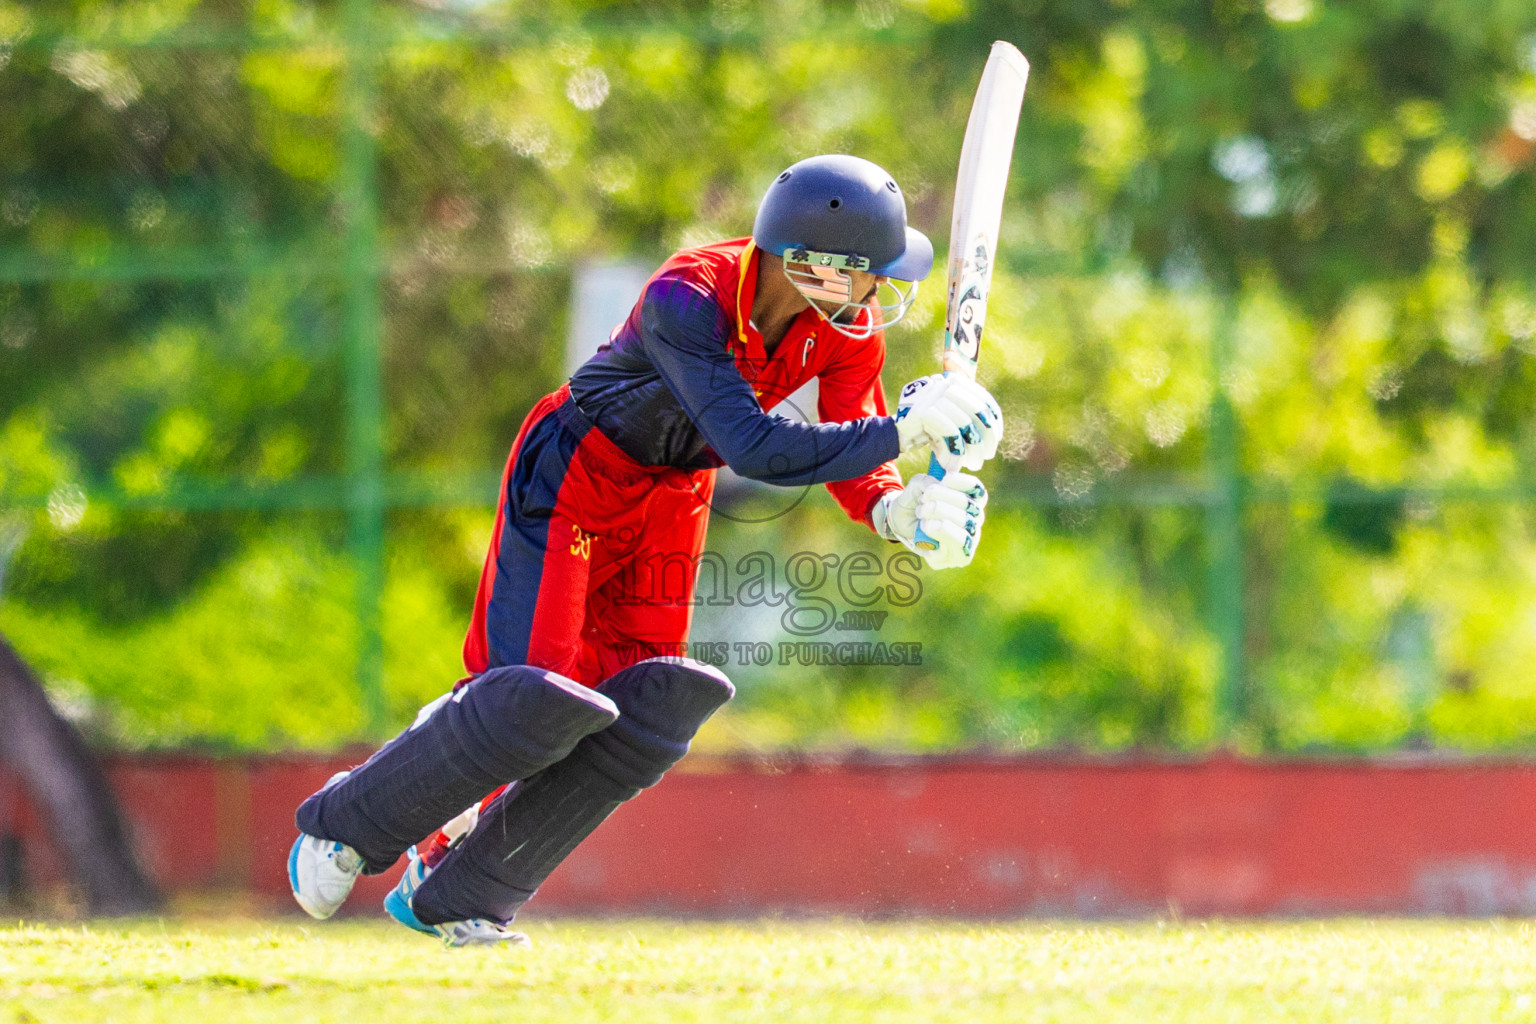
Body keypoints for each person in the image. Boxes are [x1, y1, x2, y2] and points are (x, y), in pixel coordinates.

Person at [286, 154, 1005, 946]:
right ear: (816, 269)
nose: (879, 292)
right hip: (577, 470)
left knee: (641, 705)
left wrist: (897, 510)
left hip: (674, 494)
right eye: (869, 274)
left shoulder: (843, 332)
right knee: (530, 692)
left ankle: (458, 889)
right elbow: (757, 447)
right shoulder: (687, 296)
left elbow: (854, 446)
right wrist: (906, 429)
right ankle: (345, 824)